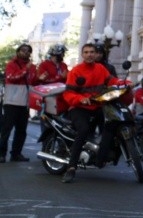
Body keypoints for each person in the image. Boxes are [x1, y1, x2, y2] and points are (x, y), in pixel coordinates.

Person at [60, 43, 121, 183]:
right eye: (86, 52)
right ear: (82, 55)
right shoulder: (75, 71)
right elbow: (68, 93)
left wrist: (125, 83)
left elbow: (112, 81)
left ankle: (101, 157)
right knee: (83, 130)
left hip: (97, 106)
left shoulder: (100, 68)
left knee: (111, 124)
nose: (89, 54)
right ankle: (71, 168)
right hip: (79, 108)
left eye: (92, 52)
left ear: (95, 54)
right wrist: (80, 99)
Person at [0, 44, 39, 163]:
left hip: (25, 102)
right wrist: (25, 69)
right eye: (23, 50)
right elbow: (11, 77)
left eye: (28, 51)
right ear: (18, 51)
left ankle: (16, 154)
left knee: (21, 130)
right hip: (11, 102)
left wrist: (40, 78)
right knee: (6, 129)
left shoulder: (32, 67)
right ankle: (1, 154)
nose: (26, 52)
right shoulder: (11, 64)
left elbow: (33, 82)